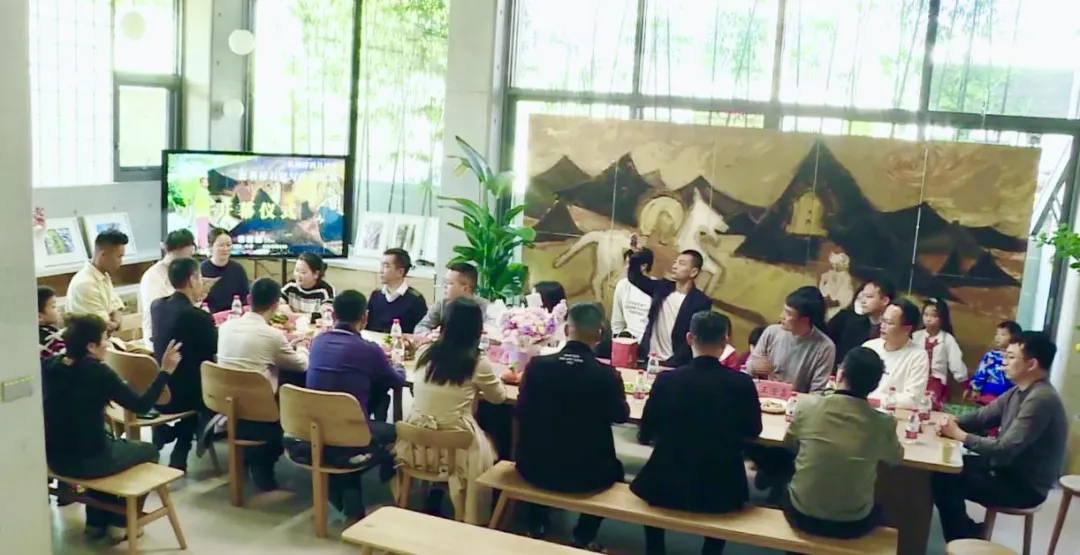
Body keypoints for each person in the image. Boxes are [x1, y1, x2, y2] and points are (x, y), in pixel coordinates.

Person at [631, 311, 762, 555]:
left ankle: (655, 550)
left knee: (653, 474)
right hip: (722, 488)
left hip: (666, 485)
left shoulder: (667, 380)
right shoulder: (742, 384)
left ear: (689, 338)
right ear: (725, 340)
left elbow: (645, 432)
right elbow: (753, 431)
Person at [42, 314, 181, 541]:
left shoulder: (49, 366)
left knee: (102, 446)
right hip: (90, 461)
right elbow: (141, 405)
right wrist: (165, 371)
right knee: (149, 451)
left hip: (56, 459)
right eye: (105, 338)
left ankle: (96, 523)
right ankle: (122, 522)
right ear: (91, 346)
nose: (107, 343)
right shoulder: (98, 372)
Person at [932, 331, 1067, 541]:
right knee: (942, 468)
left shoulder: (1041, 399)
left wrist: (958, 434)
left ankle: (961, 541)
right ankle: (968, 531)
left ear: (1031, 364)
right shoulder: (1018, 391)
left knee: (945, 480)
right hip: (1005, 468)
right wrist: (954, 422)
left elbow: (1004, 448)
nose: (1003, 362)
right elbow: (982, 416)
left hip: (1024, 485)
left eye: (1011, 357)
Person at [515, 302, 629, 550]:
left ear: (566, 330)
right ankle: (583, 535)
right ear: (599, 334)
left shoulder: (537, 367)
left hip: (534, 468)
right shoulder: (607, 375)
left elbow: (520, 411)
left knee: (536, 448)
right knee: (617, 470)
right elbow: (621, 416)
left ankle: (537, 523)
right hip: (589, 474)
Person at [395, 296, 507, 523]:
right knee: (492, 435)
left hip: (417, 445)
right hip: (458, 450)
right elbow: (498, 398)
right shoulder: (477, 362)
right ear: (478, 329)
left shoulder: (424, 353)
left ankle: (434, 490)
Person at [782, 347, 903, 539]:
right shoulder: (883, 423)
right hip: (853, 523)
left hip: (802, 515)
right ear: (875, 385)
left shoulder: (807, 407)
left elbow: (789, 444)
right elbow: (895, 458)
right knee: (883, 507)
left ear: (840, 374)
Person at [305, 290, 405, 519]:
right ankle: (396, 497)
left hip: (313, 430)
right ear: (365, 317)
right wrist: (398, 364)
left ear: (334, 315)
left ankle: (344, 483)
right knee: (397, 431)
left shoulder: (317, 342)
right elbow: (396, 381)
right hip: (352, 433)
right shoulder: (369, 350)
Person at [217, 278, 308, 490]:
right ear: (276, 305)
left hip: (226, 406)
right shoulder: (273, 335)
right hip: (262, 411)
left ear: (249, 299)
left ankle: (250, 457)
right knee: (293, 388)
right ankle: (264, 460)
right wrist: (302, 346)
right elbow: (302, 365)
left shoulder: (226, 327)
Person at [149, 258, 218, 470]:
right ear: (192, 279)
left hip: (158, 389)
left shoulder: (157, 306)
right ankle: (182, 445)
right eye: (200, 278)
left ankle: (169, 436)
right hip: (186, 395)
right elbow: (216, 349)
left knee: (190, 376)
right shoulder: (198, 317)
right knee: (212, 388)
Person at [627, 248, 713, 368]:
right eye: (675, 262)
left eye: (681, 263)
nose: (674, 266)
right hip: (649, 359)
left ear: (693, 272)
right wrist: (637, 255)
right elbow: (635, 277)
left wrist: (672, 364)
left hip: (676, 364)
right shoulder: (662, 287)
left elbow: (694, 339)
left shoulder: (701, 302)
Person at [750, 286, 836, 393]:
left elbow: (817, 392)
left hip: (799, 401)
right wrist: (754, 366)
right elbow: (749, 367)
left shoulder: (825, 347)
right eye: (783, 310)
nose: (781, 316)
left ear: (804, 320)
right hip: (766, 397)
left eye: (788, 313)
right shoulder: (771, 332)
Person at [862, 298, 929, 409]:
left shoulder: (918, 356)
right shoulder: (869, 347)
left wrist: (877, 400)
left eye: (889, 323)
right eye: (883, 320)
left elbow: (912, 399)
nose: (882, 325)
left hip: (891, 413)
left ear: (907, 329)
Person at [65, 228, 129, 331]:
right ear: (103, 255)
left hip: (106, 339)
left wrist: (116, 322)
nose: (121, 262)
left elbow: (117, 308)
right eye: (119, 257)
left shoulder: (103, 276)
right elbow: (103, 326)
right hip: (90, 341)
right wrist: (115, 322)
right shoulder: (85, 284)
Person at [139, 229, 196, 342]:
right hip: (160, 333)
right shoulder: (152, 276)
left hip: (184, 326)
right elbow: (159, 311)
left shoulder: (186, 271)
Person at [912, 298, 967, 408]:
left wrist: (964, 383)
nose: (928, 319)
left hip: (936, 382)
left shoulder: (947, 339)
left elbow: (956, 362)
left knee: (928, 403)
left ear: (942, 318)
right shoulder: (915, 336)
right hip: (915, 378)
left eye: (934, 316)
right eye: (926, 315)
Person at [831, 277, 894, 365]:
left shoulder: (893, 329)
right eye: (863, 296)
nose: (863, 301)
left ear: (885, 301)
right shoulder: (853, 326)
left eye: (869, 297)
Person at [415, 262, 491, 335]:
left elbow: (492, 337)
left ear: (465, 288)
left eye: (449, 283)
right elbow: (421, 327)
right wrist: (429, 335)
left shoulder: (487, 308)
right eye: (444, 281)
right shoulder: (442, 304)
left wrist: (445, 334)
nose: (444, 286)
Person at [366, 248, 428, 333]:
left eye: (386, 266)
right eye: (381, 265)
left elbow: (420, 332)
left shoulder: (415, 300)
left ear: (400, 272)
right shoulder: (376, 295)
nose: (381, 271)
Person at [966, 321, 1022, 404]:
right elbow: (981, 373)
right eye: (996, 334)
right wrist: (975, 389)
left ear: (1014, 337)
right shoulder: (990, 356)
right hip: (988, 392)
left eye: (1003, 334)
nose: (998, 337)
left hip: (1008, 394)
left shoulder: (1017, 357)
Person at [200, 227, 250, 313]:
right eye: (221, 245)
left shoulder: (238, 269)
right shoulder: (201, 270)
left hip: (234, 314)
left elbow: (245, 298)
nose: (225, 249)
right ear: (210, 247)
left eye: (228, 245)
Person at [611, 248, 653, 340]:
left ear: (644, 266)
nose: (626, 267)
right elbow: (617, 321)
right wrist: (618, 339)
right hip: (627, 339)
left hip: (649, 341)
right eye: (625, 263)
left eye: (630, 264)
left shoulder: (657, 287)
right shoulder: (622, 285)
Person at [39, 286, 65, 359]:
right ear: (39, 317)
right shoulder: (51, 340)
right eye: (53, 306)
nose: (58, 309)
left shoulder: (49, 329)